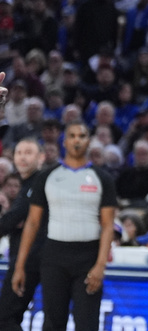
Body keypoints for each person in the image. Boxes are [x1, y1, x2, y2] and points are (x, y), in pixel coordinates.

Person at [11, 122, 117, 331]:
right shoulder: (47, 177)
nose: (77, 139)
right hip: (54, 256)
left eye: (82, 135)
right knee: (53, 323)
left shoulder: (102, 178)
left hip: (88, 256)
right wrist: (20, 266)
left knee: (87, 324)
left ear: (89, 141)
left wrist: (100, 265)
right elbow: (32, 223)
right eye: (72, 135)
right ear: (65, 141)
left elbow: (107, 225)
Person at [0, 138, 45, 331]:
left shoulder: (36, 184)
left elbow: (14, 218)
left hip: (29, 260)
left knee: (6, 318)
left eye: (28, 152)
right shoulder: (27, 185)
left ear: (41, 158)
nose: (22, 157)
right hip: (34, 257)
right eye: (19, 153)